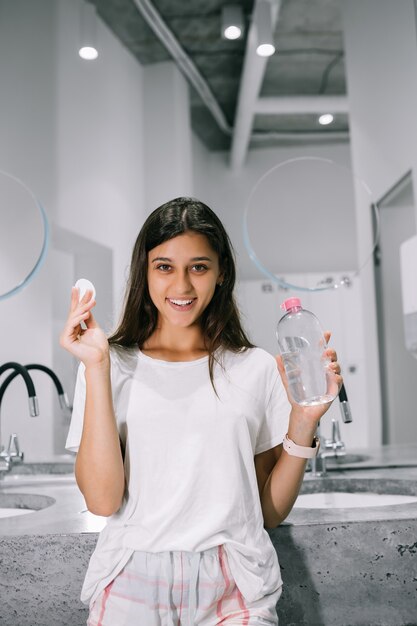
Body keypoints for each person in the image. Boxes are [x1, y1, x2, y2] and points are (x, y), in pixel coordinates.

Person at [60, 197, 342, 626]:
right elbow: (102, 501)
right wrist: (97, 367)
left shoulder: (256, 367)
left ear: (221, 272)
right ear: (144, 271)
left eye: (198, 266)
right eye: (165, 267)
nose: (182, 287)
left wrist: (303, 422)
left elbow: (266, 512)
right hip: (132, 578)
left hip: (235, 585)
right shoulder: (107, 363)